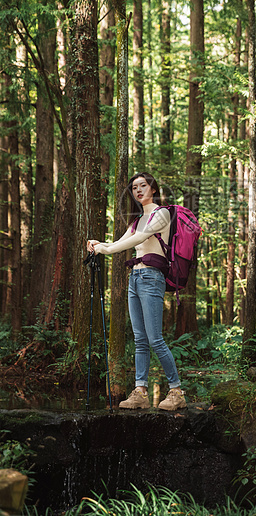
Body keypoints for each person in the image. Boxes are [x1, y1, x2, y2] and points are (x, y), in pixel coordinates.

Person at [87, 172, 186, 412]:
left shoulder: (161, 214)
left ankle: (176, 391)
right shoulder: (137, 220)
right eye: (134, 187)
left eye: (143, 185)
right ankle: (141, 391)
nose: (138, 190)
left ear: (153, 188)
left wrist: (106, 250)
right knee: (140, 339)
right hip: (135, 278)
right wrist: (99, 245)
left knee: (155, 339)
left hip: (152, 278)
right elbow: (118, 243)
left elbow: (138, 240)